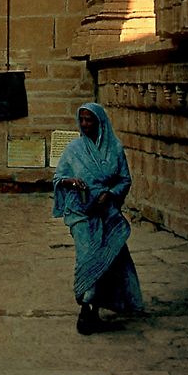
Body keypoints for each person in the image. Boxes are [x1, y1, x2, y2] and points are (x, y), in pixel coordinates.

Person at [53, 102, 143, 334]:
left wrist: (109, 194)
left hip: (107, 213)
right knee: (88, 257)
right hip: (80, 212)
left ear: (100, 122)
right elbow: (58, 177)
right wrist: (71, 182)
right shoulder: (74, 149)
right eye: (81, 119)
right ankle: (85, 310)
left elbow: (124, 179)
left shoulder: (115, 148)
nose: (85, 124)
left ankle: (94, 311)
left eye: (89, 120)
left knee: (109, 259)